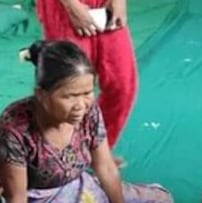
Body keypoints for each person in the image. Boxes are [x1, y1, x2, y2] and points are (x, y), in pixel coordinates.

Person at [0, 40, 173, 203]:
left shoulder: (88, 112)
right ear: (41, 94)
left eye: (87, 93)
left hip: (83, 190)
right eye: (69, 96)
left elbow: (106, 167)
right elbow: (16, 200)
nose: (81, 105)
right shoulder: (14, 129)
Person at [35, 0, 136, 149]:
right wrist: (71, 6)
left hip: (104, 6)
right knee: (67, 87)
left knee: (123, 86)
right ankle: (58, 155)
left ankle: (97, 150)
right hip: (61, 7)